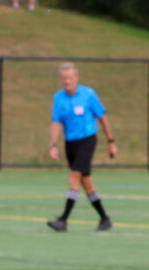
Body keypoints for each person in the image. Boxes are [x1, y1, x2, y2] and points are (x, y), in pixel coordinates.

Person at [47, 62, 117, 232]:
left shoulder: (88, 94)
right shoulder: (59, 98)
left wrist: (111, 142)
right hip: (70, 143)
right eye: (64, 78)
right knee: (86, 183)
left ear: (76, 78)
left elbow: (103, 117)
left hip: (87, 140)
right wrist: (53, 145)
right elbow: (56, 123)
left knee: (74, 177)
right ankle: (104, 218)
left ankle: (63, 220)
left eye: (70, 77)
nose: (67, 81)